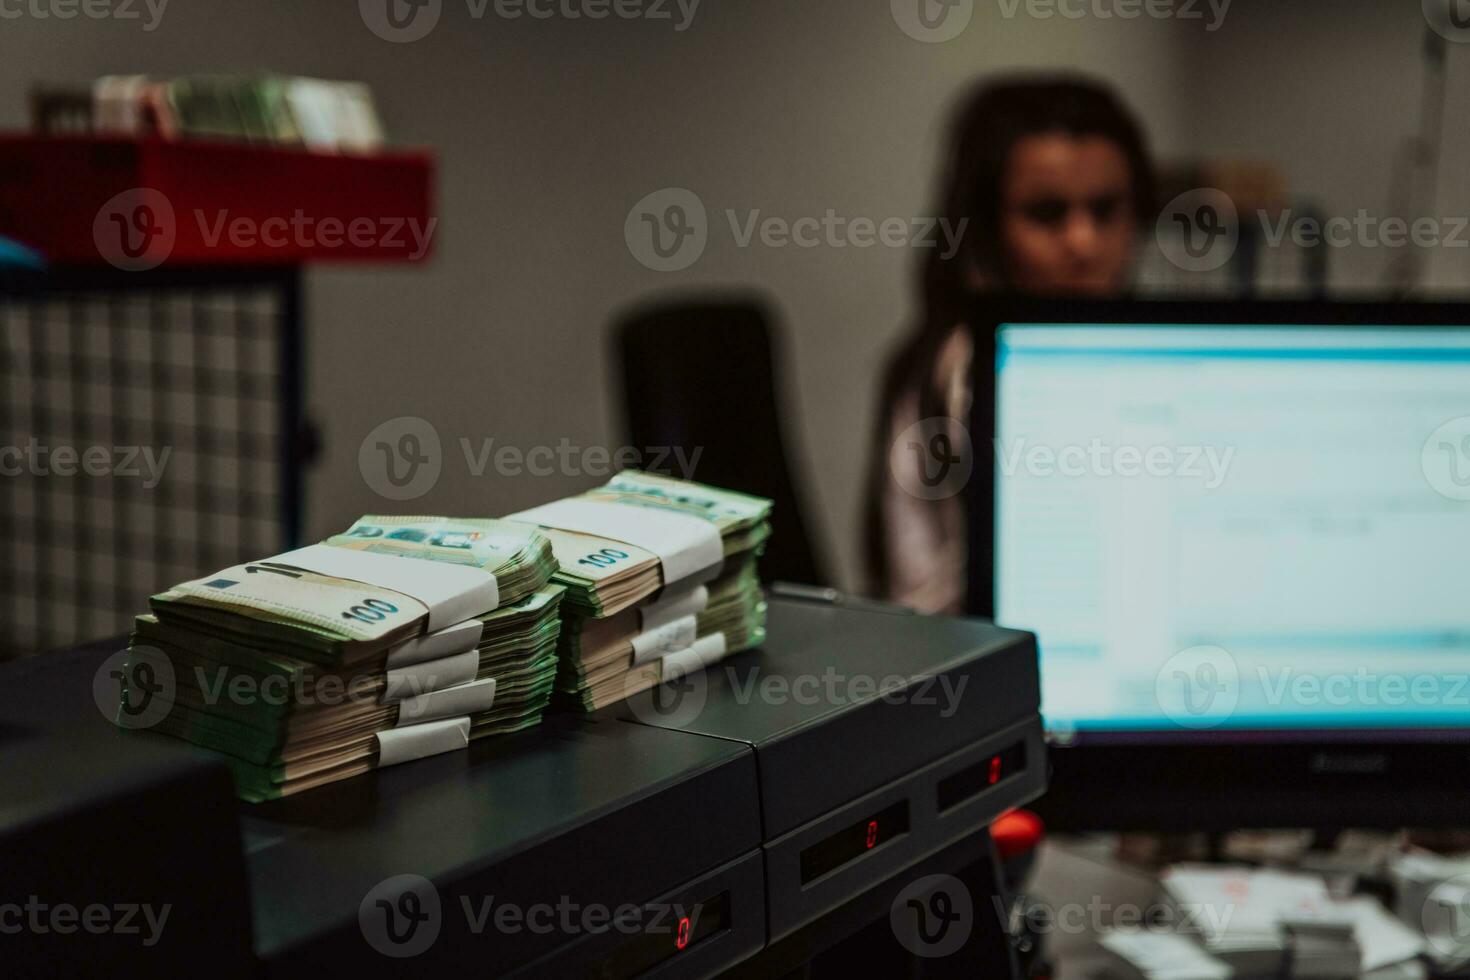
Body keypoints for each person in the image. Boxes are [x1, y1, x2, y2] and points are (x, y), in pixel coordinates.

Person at [865, 74, 1156, 613]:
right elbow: (922, 604)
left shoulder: (1154, 358)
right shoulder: (949, 376)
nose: (1082, 242)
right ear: (987, 226)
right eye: (1047, 213)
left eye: (1106, 209)